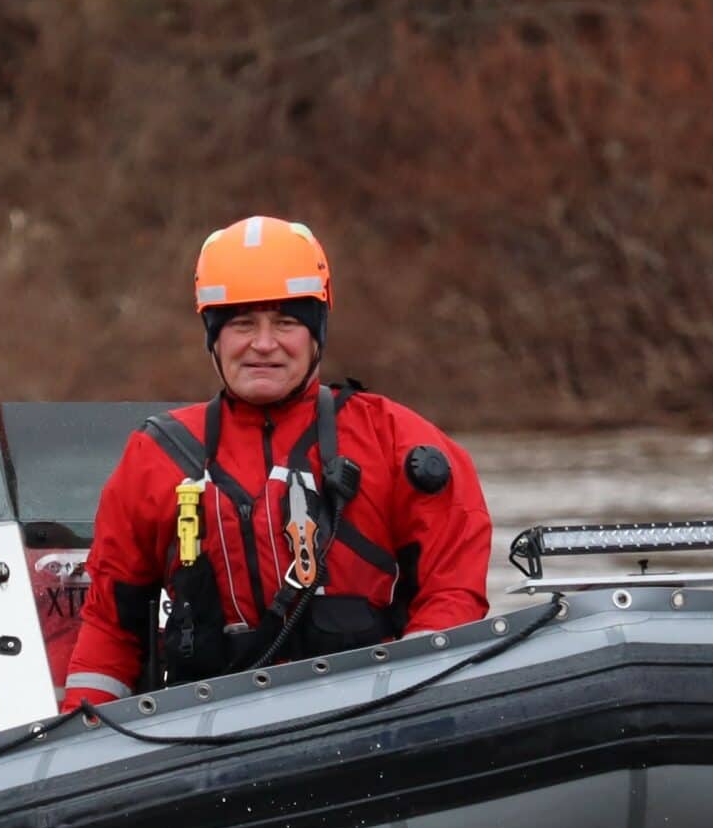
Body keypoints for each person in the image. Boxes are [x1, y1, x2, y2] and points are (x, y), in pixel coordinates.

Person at [60, 218, 491, 710]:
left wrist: (410, 706)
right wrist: (83, 736)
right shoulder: (154, 458)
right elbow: (110, 630)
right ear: (214, 339)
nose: (263, 344)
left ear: (316, 336)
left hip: (371, 715)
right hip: (204, 738)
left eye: (286, 323)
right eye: (242, 324)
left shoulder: (394, 439)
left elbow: (452, 594)